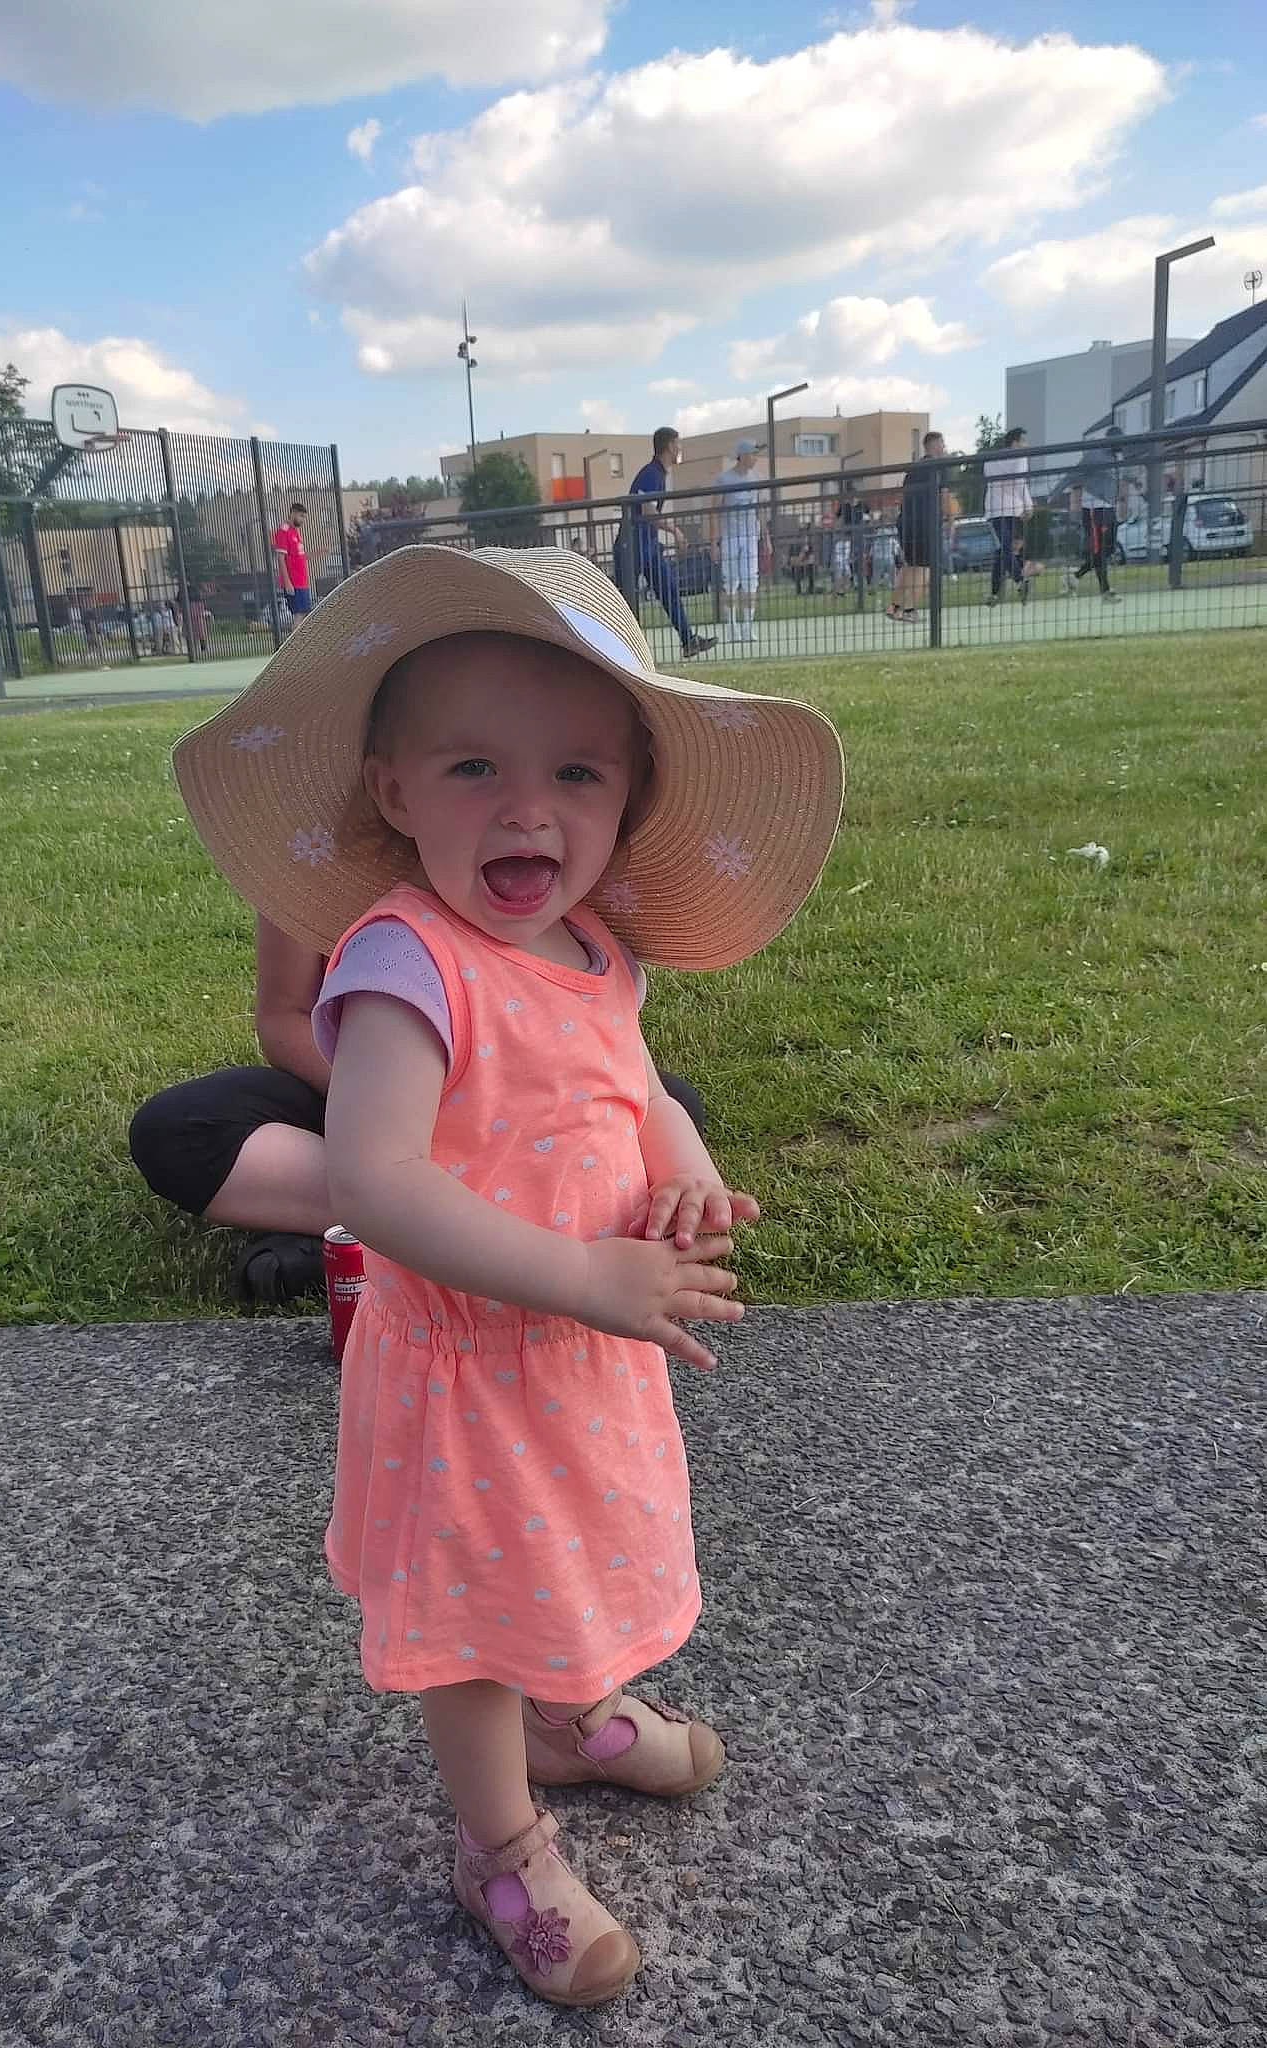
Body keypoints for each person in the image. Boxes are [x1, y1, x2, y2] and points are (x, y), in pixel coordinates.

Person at [170, 546, 844, 2005]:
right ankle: (501, 1844)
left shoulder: (596, 949)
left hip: (583, 1353)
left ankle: (571, 1708)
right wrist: (582, 1275)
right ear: (393, 792)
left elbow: (637, 1088)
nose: (528, 808)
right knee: (475, 1618)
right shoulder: (404, 962)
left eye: (576, 774)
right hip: (468, 1373)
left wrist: (680, 1168)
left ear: (629, 801)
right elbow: (375, 1180)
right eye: (473, 766)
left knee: (579, 1549)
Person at [130, 928, 714, 1303]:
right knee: (181, 1128)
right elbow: (285, 1017)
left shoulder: (574, 905)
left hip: (528, 1115)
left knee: (667, 1107)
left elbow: (624, 1066)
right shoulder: (314, 870)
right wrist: (401, 1105)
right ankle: (411, 1218)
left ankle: (361, 1236)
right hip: (367, 1090)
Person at [619, 428, 716, 658]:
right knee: (626, 600)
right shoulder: (651, 474)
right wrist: (675, 531)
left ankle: (688, 640)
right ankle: (623, 651)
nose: (679, 448)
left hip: (648, 544)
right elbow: (648, 510)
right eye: (678, 444)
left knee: (669, 589)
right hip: (633, 544)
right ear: (670, 446)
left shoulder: (658, 474)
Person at [888, 429, 950, 623]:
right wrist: (948, 519)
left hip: (906, 522)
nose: (944, 447)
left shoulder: (913, 469)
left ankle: (894, 607)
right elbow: (944, 495)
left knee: (911, 566)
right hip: (925, 523)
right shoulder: (938, 466)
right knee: (925, 568)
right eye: (942, 443)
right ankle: (909, 609)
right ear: (935, 445)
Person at [1063, 426, 1128, 602]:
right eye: (1119, 442)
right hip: (1093, 508)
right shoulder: (1094, 455)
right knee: (1099, 550)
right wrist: (1056, 493)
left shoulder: (1118, 457)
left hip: (1109, 507)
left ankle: (1075, 576)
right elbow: (1074, 474)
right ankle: (1105, 591)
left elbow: (1118, 479)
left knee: (1109, 549)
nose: (1122, 445)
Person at [711, 438, 762, 628]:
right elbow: (714, 511)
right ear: (743, 455)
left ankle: (748, 626)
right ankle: (731, 626)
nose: (756, 458)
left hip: (750, 536)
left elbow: (760, 509)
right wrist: (714, 543)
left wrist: (766, 537)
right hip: (730, 536)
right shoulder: (724, 479)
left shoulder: (756, 478)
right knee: (730, 582)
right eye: (753, 454)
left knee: (751, 580)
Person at [983, 427, 1035, 605]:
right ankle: (1020, 580)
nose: (1027, 445)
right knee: (1006, 549)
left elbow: (990, 478)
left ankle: (995, 593)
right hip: (1013, 510)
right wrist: (1029, 505)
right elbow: (1020, 481)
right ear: (1015, 443)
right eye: (1024, 441)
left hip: (995, 510)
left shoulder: (990, 459)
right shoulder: (1020, 457)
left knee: (1002, 551)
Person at [273, 502, 314, 626]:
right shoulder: (283, 531)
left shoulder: (295, 531)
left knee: (304, 614)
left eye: (304, 517)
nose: (303, 520)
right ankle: (296, 639)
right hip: (294, 582)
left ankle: (301, 638)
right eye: (301, 516)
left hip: (302, 581)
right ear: (293, 513)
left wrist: (319, 553)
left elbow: (300, 557)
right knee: (299, 615)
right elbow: (281, 558)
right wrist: (287, 583)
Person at [832, 480, 864, 596]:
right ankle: (844, 585)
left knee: (855, 561)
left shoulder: (861, 505)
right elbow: (837, 518)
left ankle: (853, 583)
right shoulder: (845, 506)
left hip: (857, 535)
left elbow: (868, 516)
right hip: (846, 536)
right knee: (844, 562)